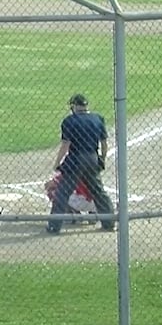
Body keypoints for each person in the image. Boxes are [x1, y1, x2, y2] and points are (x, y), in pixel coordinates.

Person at [45, 94, 115, 234]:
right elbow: (104, 143)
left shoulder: (69, 121)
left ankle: (54, 226)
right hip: (92, 158)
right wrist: (102, 158)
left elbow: (65, 145)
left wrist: (57, 163)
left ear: (74, 106)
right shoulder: (98, 119)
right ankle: (109, 222)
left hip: (75, 160)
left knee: (62, 193)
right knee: (99, 192)